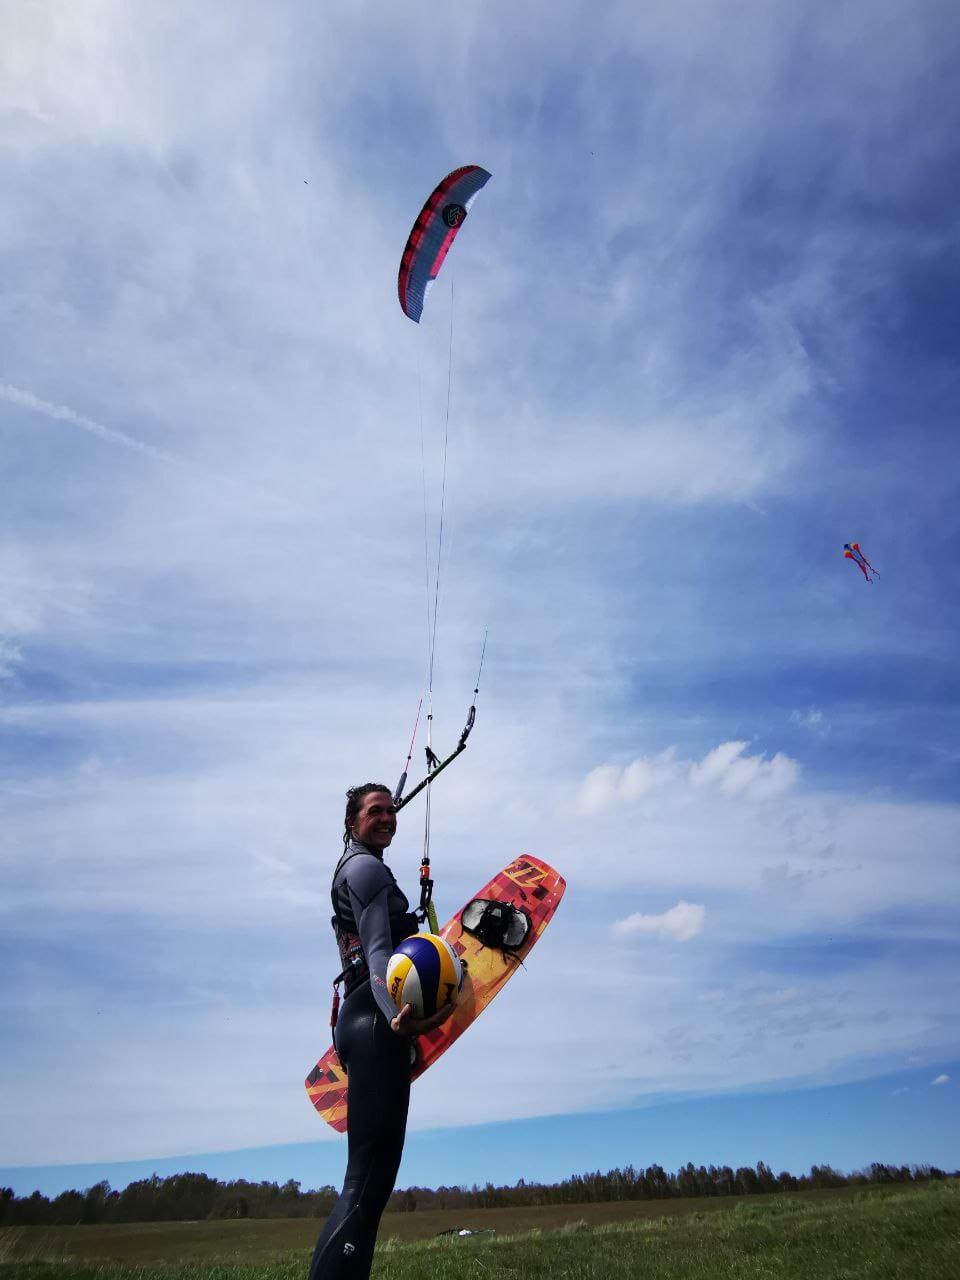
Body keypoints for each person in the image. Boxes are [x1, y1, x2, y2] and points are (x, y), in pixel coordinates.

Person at [307, 783, 454, 1279]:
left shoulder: (355, 864)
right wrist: (400, 1018)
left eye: (392, 809)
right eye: (375, 811)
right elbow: (376, 952)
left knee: (370, 1188)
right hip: (375, 1018)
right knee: (365, 1185)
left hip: (361, 1020)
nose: (388, 817)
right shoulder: (366, 869)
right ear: (351, 822)